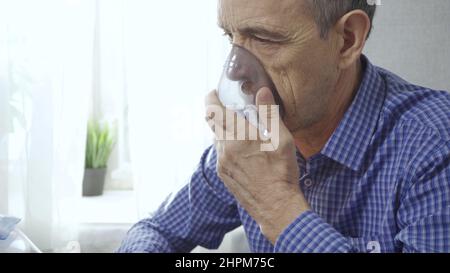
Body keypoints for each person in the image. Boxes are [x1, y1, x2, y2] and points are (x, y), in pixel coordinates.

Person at [118, 0, 450, 253]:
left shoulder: (434, 146)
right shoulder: (254, 136)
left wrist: (279, 206)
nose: (234, 73)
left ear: (347, 40)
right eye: (230, 37)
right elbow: (154, 230)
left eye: (264, 39)